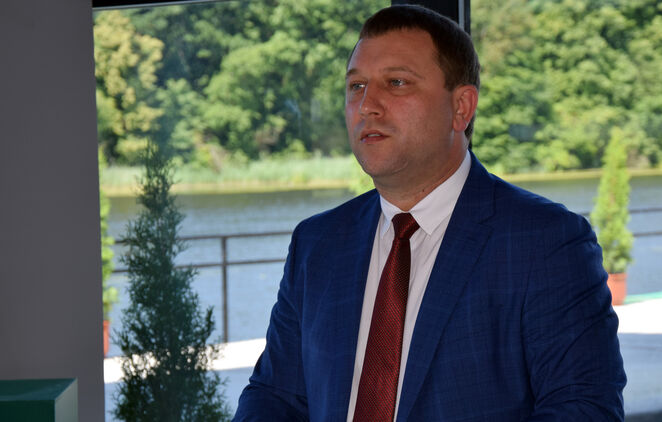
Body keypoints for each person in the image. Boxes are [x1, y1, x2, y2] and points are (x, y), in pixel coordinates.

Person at [233, 5, 626, 421]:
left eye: (396, 82)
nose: (367, 106)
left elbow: (584, 410)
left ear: (461, 108)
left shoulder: (545, 242)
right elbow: (275, 397)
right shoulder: (318, 244)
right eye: (356, 86)